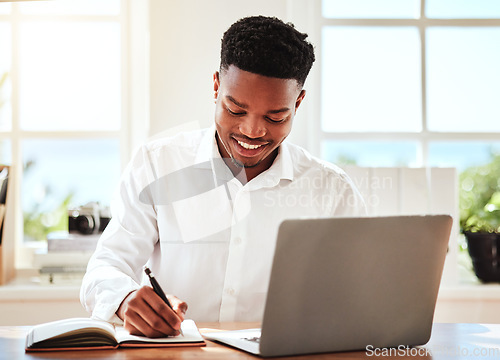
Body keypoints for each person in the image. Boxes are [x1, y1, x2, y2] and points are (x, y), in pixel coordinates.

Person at [80, 15, 366, 338]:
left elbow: (359, 296)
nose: (252, 130)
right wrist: (125, 297)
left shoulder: (332, 191)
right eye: (235, 110)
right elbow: (103, 268)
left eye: (275, 117)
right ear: (216, 87)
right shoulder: (157, 164)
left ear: (297, 104)